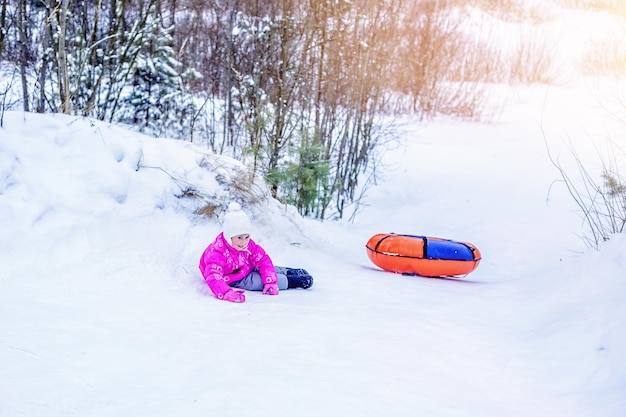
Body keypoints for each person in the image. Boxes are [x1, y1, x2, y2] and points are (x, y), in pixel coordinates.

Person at [199, 202, 313, 303]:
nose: (244, 242)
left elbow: (262, 258)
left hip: (243, 263)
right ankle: (290, 281)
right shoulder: (217, 253)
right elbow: (213, 276)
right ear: (229, 236)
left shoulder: (247, 244)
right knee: (255, 281)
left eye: (246, 236)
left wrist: (271, 280)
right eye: (239, 237)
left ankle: (288, 271)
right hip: (231, 275)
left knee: (265, 268)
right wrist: (225, 293)